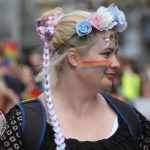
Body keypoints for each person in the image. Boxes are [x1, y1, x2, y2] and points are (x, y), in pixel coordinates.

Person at [0, 4, 150, 150]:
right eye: (106, 54)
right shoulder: (24, 123)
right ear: (73, 58)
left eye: (115, 54)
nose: (116, 63)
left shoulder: (130, 119)